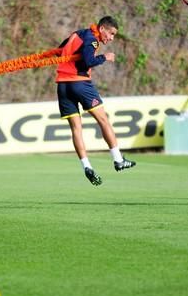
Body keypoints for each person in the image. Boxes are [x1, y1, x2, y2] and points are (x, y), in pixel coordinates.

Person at [55, 16, 136, 186]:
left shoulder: (78, 33)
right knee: (103, 120)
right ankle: (118, 159)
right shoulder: (92, 39)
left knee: (76, 129)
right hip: (79, 83)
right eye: (111, 33)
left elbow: (60, 49)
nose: (112, 38)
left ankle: (86, 166)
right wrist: (104, 57)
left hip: (62, 85)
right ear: (102, 29)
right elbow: (88, 60)